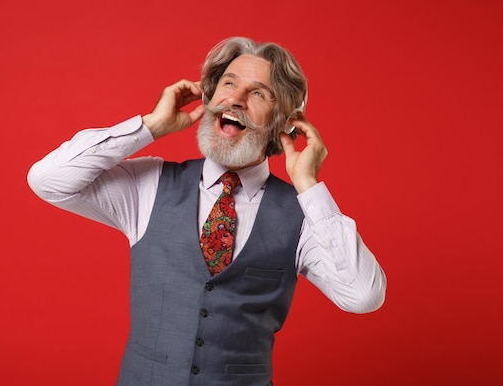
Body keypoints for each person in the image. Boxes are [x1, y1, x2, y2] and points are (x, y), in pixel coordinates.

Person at [27, 36, 386, 386]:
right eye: (228, 83)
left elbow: (363, 296)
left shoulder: (304, 215)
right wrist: (150, 127)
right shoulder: (149, 185)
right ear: (210, 97)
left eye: (258, 93)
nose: (236, 99)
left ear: (283, 122)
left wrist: (309, 185)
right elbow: (48, 179)